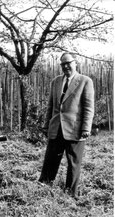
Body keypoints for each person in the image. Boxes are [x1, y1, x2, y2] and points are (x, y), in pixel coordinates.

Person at [39, 52, 95, 199]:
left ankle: (71, 194)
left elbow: (89, 107)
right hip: (56, 128)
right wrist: (46, 125)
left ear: (75, 63)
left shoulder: (85, 81)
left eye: (68, 63)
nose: (65, 66)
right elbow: (50, 106)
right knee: (50, 161)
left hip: (75, 129)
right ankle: (44, 189)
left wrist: (86, 128)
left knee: (74, 163)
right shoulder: (56, 82)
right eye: (62, 64)